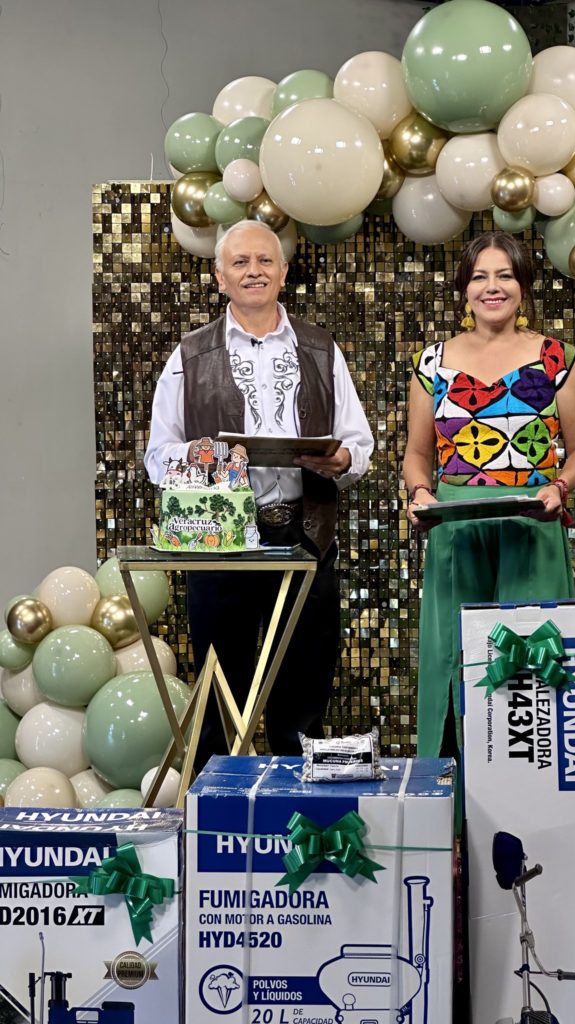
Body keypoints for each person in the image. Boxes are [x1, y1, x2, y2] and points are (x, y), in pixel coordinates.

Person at [145, 220, 374, 758]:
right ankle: (219, 799)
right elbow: (158, 457)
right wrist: (209, 458)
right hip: (220, 541)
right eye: (241, 262)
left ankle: (295, 803)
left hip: (305, 536)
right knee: (220, 694)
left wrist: (341, 459)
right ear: (220, 277)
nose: (254, 271)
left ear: (283, 272)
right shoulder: (189, 355)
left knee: (303, 695)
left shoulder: (321, 348)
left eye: (265, 261)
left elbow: (359, 444)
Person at [403, 230, 575, 758]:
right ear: (464, 289)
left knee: (534, 663)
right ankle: (456, 797)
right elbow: (416, 454)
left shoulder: (557, 360)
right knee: (454, 660)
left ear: (523, 286)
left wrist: (559, 487)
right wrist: (420, 492)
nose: (493, 287)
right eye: (480, 277)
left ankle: (536, 793)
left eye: (505, 275)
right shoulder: (431, 363)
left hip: (532, 524)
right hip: (456, 529)